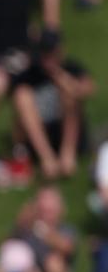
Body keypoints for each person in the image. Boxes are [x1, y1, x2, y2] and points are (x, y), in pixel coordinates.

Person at [9, 30, 94, 180]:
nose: (50, 60)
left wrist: (66, 82)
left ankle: (68, 155)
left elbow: (89, 88)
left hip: (66, 131)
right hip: (42, 133)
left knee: (69, 94)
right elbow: (17, 107)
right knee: (22, 96)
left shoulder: (70, 68)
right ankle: (47, 159)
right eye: (46, 55)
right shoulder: (29, 76)